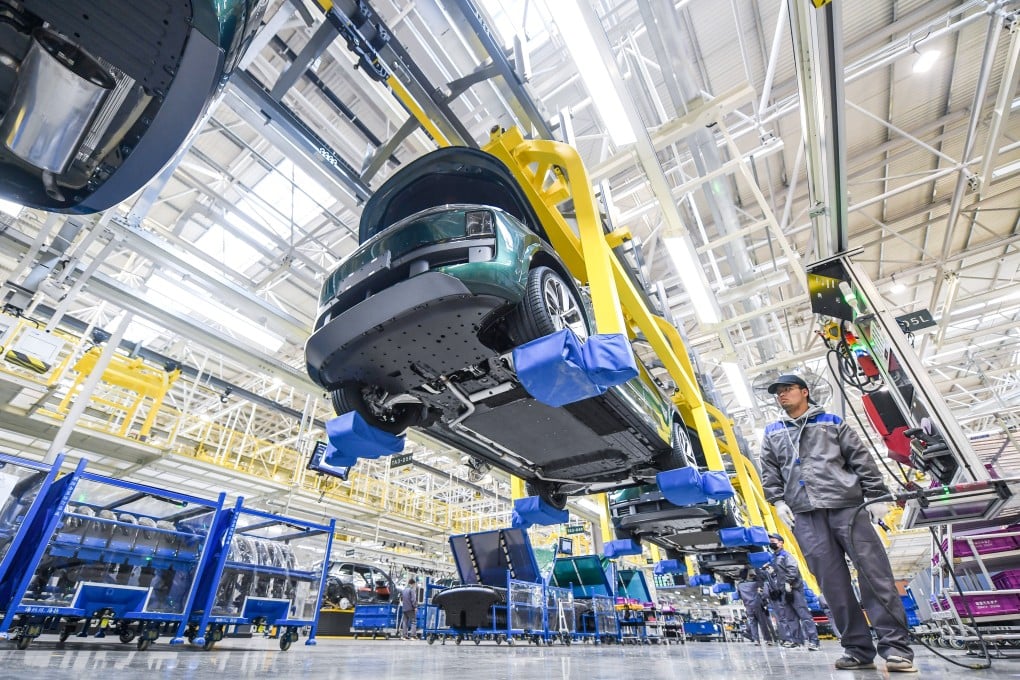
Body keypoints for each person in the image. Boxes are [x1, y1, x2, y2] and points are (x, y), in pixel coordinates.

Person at [760, 374, 915, 673]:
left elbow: (860, 458)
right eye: (778, 392)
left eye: (788, 389)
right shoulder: (772, 432)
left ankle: (896, 649)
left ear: (805, 392)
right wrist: (777, 501)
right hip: (805, 513)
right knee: (833, 586)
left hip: (848, 507)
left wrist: (878, 495)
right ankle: (857, 649)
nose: (782, 395)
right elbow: (769, 470)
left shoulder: (832, 422)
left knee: (875, 576)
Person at [767, 533, 819, 650]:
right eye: (770, 541)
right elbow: (777, 573)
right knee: (790, 618)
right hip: (783, 591)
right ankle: (796, 641)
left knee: (804, 616)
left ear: (781, 542)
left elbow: (792, 569)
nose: (771, 543)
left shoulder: (786, 555)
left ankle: (814, 641)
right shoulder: (774, 557)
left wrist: (788, 583)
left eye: (773, 540)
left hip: (793, 589)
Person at [735, 568, 774, 645]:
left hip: (747, 606)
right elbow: (761, 581)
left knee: (753, 623)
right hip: (757, 605)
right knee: (762, 623)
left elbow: (739, 595)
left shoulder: (739, 585)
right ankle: (768, 640)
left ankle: (756, 640)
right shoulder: (754, 584)